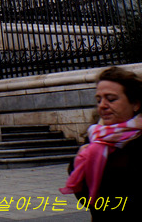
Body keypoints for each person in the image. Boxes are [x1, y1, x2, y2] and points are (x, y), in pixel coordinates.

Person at [61, 66, 142, 219]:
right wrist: (78, 163)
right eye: (99, 100)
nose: (103, 105)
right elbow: (88, 200)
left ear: (135, 104)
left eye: (111, 99)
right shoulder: (95, 138)